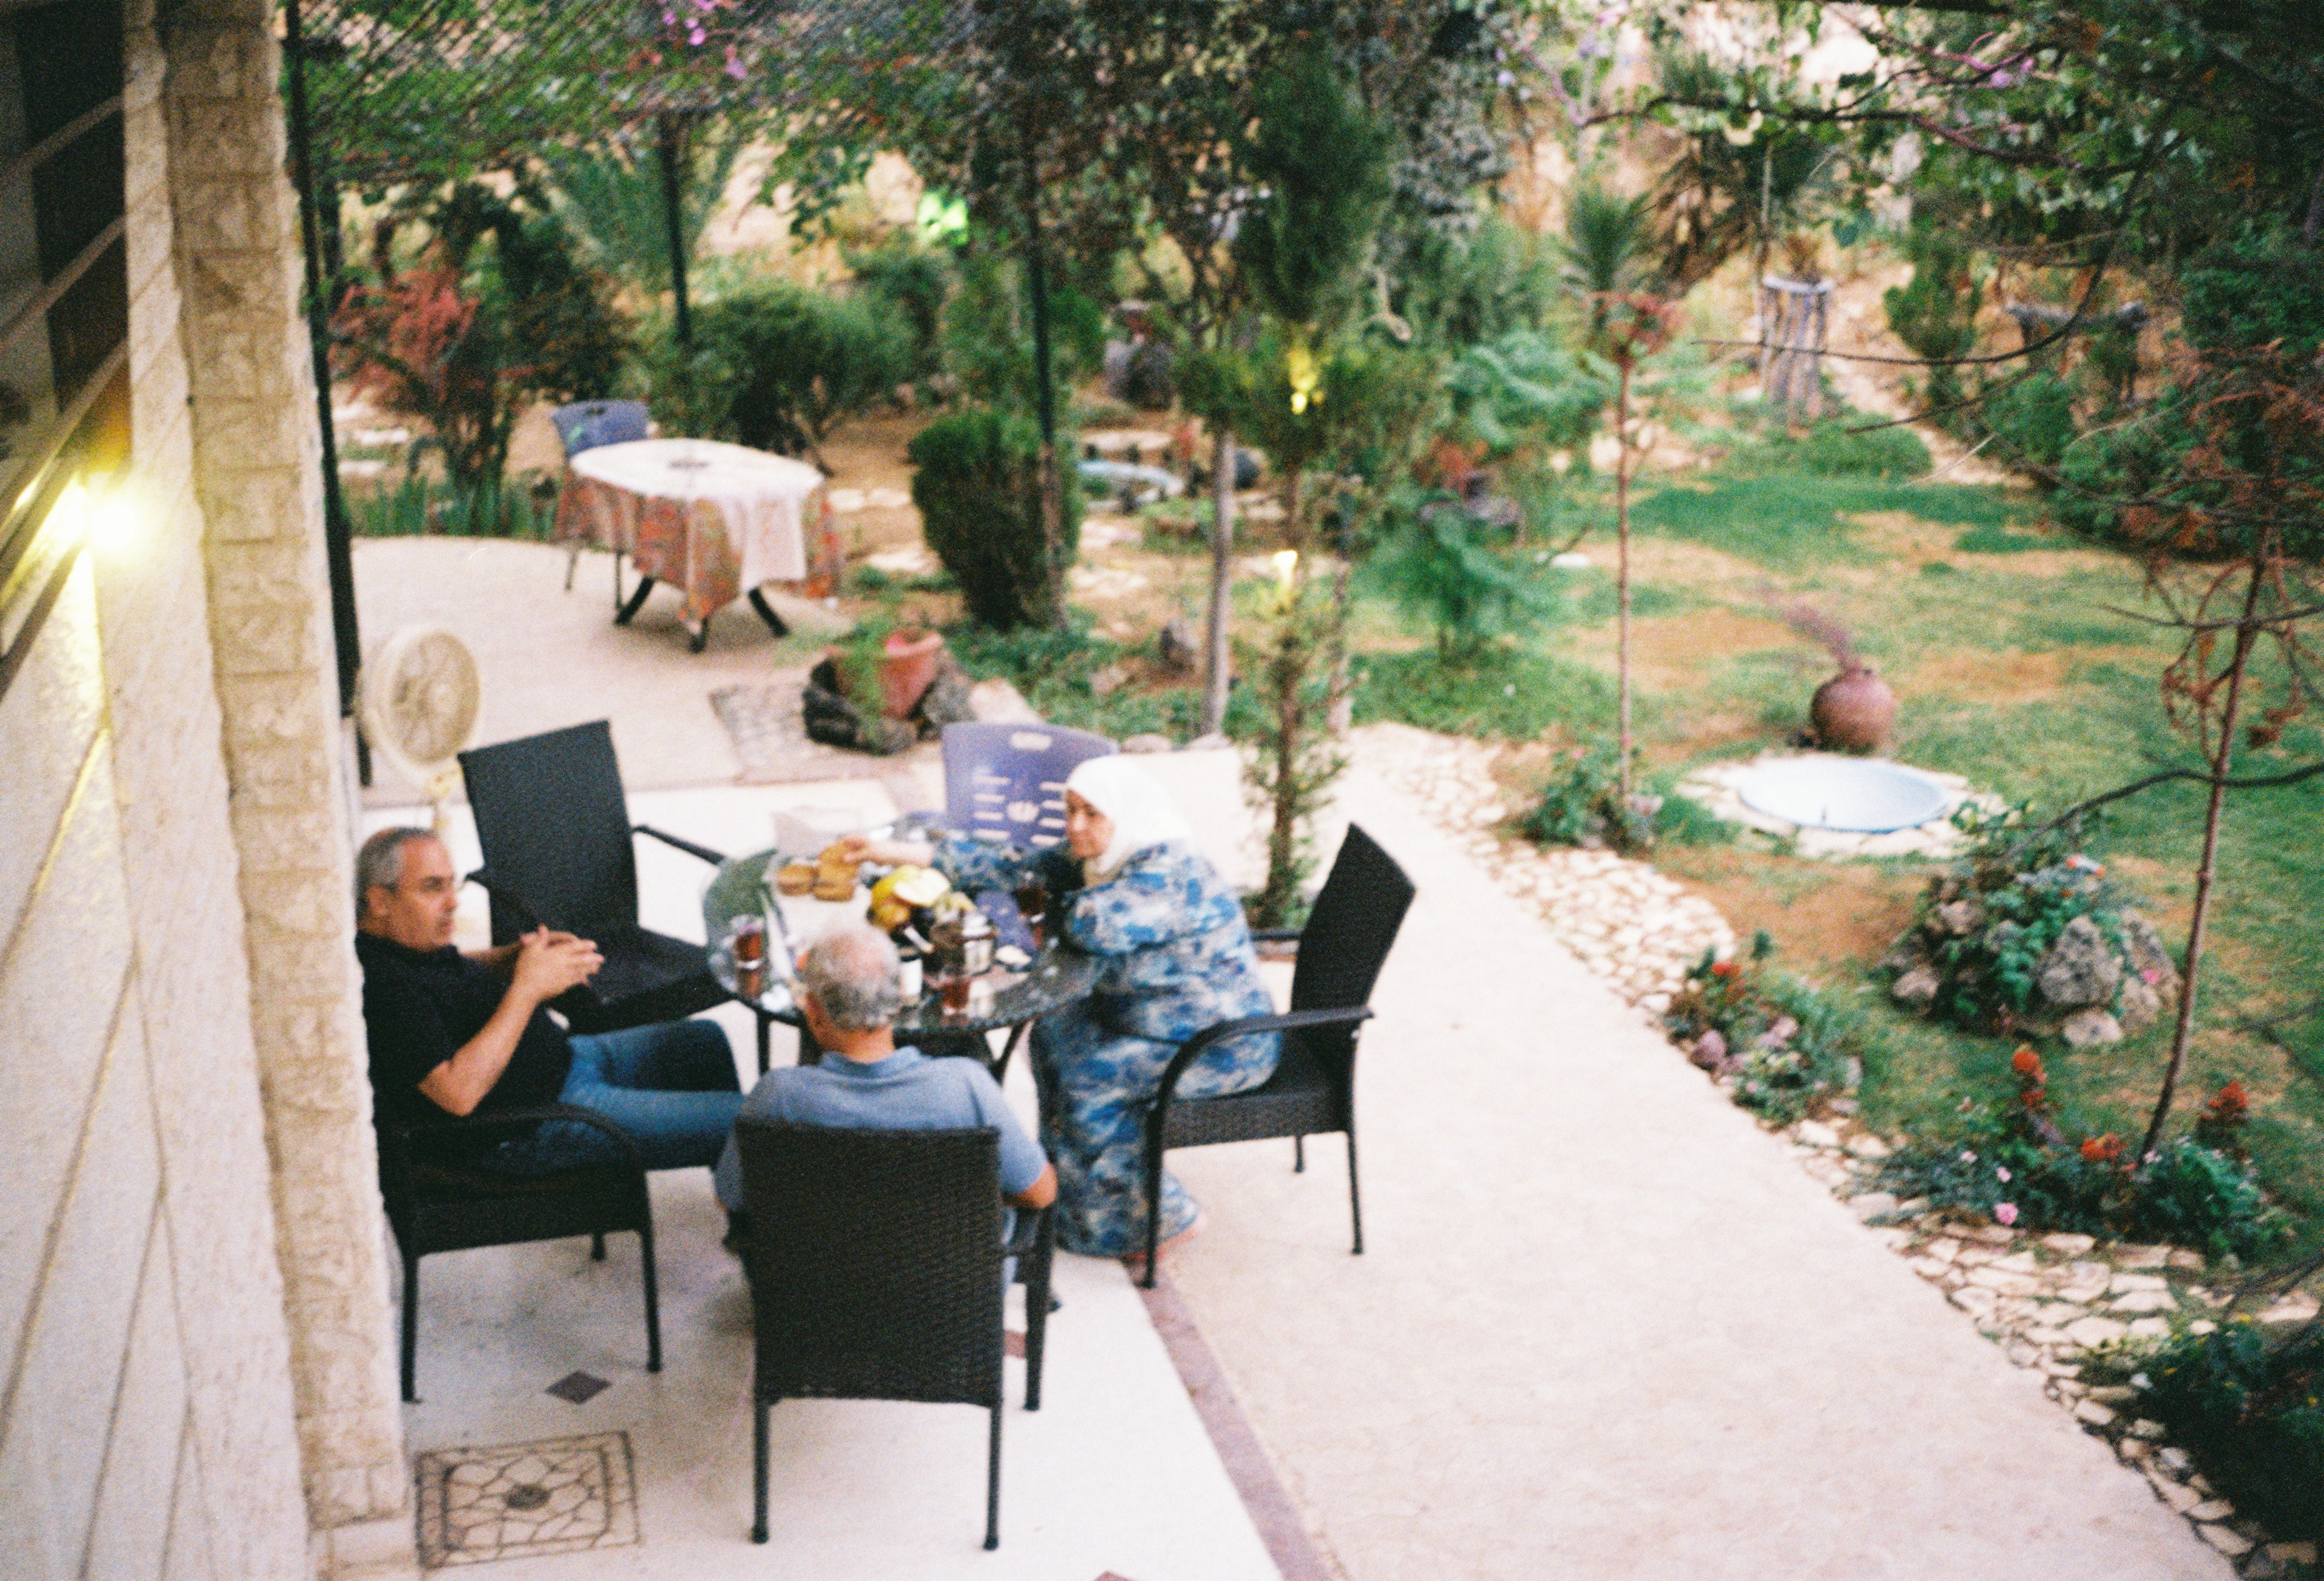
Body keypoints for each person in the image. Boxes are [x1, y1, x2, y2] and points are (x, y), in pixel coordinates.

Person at [836, 756, 1276, 1263]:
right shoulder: (1108, 855)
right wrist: (891, 852)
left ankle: (1158, 1222)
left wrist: (1036, 911)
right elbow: (1015, 865)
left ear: (1126, 812)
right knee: (1053, 1031)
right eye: (1070, 810)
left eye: (1092, 813)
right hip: (1148, 1020)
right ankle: (1071, 1188)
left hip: (1222, 1043)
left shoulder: (1170, 872)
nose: (1075, 826)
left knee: (1091, 1075)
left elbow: (1095, 925)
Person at [354, 826, 743, 1174]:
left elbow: (447, 971)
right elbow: (457, 1095)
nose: (453, 902)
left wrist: (510, 958)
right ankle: (759, 1194)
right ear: (380, 902)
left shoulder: (405, 944)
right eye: (432, 887)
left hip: (567, 1062)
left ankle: (738, 1190)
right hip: (534, 1125)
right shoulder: (384, 987)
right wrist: (527, 988)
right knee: (750, 1120)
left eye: (451, 885)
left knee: (703, 1042)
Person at [714, 928, 1055, 1221]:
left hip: (814, 1289)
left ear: (814, 1012)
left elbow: (730, 1202)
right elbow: (1040, 1194)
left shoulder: (776, 1096)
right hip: (952, 1289)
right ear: (897, 1000)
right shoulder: (966, 1086)